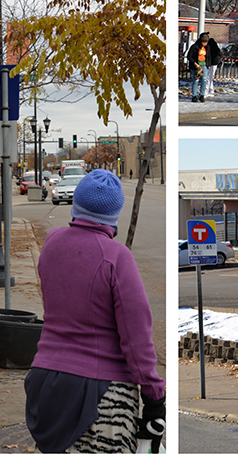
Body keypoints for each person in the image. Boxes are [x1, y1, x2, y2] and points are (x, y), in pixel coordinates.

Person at [24, 170, 165, 453]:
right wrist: (154, 394)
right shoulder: (116, 257)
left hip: (45, 380)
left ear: (77, 203)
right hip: (99, 392)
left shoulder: (51, 243)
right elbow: (136, 336)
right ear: (115, 212)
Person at [186, 33, 221, 101]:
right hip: (196, 65)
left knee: (204, 80)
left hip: (204, 65)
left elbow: (208, 57)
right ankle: (194, 95)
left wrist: (208, 65)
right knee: (196, 80)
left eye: (206, 42)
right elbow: (189, 56)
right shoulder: (194, 47)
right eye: (204, 42)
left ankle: (202, 95)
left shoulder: (207, 48)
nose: (205, 43)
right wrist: (195, 63)